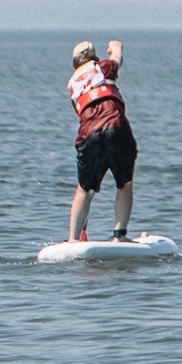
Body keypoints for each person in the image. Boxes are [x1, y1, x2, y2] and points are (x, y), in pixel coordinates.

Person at [67, 39, 138, 243]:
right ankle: (120, 234)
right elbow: (117, 58)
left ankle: (73, 239)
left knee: (85, 189)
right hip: (116, 128)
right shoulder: (101, 67)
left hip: (89, 135)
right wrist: (116, 47)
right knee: (124, 183)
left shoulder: (73, 83)